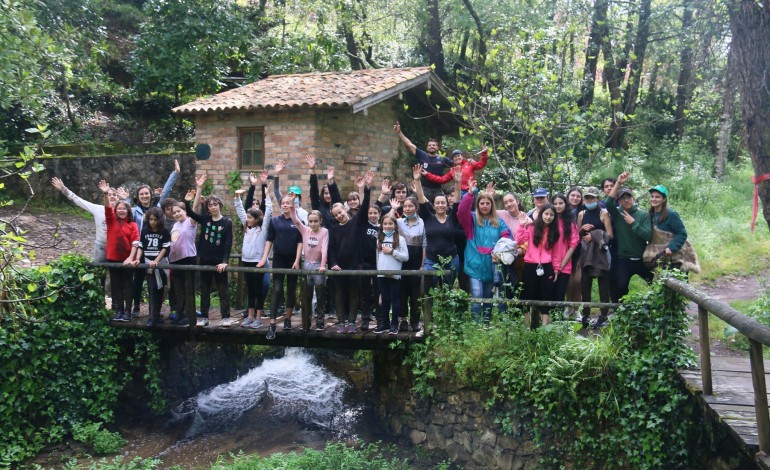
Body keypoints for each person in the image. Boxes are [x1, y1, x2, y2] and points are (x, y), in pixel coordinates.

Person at [126, 159, 180, 318]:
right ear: (138, 196)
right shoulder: (134, 211)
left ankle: (158, 310)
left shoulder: (156, 209)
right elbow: (123, 210)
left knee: (160, 281)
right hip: (141, 250)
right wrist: (126, 199)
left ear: (151, 195)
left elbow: (166, 191)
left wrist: (175, 173)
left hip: (157, 251)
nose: (144, 196)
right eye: (141, 194)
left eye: (146, 193)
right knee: (138, 279)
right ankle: (136, 307)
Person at [457, 176, 511, 322]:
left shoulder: (499, 222)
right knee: (476, 294)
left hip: (492, 265)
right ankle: (475, 326)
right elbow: (461, 212)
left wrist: (499, 254)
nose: (485, 206)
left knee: (488, 297)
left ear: (492, 205)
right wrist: (470, 194)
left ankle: (485, 325)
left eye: (488, 203)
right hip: (474, 263)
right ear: (478, 204)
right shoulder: (472, 219)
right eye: (482, 203)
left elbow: (507, 240)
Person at [328, 171, 374, 333]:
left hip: (355, 265)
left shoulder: (357, 223)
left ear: (345, 210)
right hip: (339, 267)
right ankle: (341, 322)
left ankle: (352, 322)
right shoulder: (333, 230)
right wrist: (332, 263)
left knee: (354, 294)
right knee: (339, 295)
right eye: (336, 215)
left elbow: (365, 206)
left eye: (340, 212)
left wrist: (365, 188)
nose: (339, 216)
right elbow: (331, 249)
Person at [186, 174, 234, 328]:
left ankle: (226, 316)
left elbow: (228, 243)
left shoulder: (227, 222)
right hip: (205, 260)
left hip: (219, 262)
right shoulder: (205, 220)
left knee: (223, 291)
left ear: (220, 205)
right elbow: (191, 213)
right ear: (207, 208)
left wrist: (224, 262)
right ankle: (204, 316)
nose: (213, 207)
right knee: (204, 290)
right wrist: (187, 201)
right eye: (210, 205)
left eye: (215, 204)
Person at [260, 194, 303, 340]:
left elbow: (300, 242)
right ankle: (272, 325)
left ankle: (288, 319)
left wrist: (297, 260)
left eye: (288, 203)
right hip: (279, 259)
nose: (285, 205)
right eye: (283, 203)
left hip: (293, 260)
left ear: (293, 205)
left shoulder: (298, 221)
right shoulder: (274, 221)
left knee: (291, 289)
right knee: (277, 289)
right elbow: (269, 240)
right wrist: (264, 258)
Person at [605, 172, 653, 300]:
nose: (626, 200)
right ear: (619, 201)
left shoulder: (643, 215)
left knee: (656, 283)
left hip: (642, 259)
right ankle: (621, 312)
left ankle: (662, 308)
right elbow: (609, 202)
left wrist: (633, 223)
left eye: (629, 197)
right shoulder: (617, 214)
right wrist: (619, 182)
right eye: (623, 198)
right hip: (624, 259)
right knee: (620, 287)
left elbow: (648, 236)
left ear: (633, 198)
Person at [413, 164, 460, 290]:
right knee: (426, 290)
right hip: (431, 259)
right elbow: (421, 199)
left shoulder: (452, 217)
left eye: (443, 203)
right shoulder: (428, 217)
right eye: (437, 203)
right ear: (433, 205)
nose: (440, 205)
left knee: (448, 290)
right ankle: (429, 310)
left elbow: (456, 201)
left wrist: (457, 183)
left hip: (451, 259)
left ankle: (445, 309)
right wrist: (417, 180)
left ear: (446, 204)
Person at [51, 177, 121, 261]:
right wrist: (63, 189)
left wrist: (125, 199)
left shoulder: (124, 211)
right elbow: (78, 200)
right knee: (97, 269)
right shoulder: (98, 209)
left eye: (114, 195)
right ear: (104, 198)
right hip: (101, 245)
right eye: (109, 195)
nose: (112, 197)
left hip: (117, 245)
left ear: (118, 198)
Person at [98, 180, 139, 323]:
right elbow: (107, 208)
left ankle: (128, 311)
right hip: (113, 258)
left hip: (127, 259)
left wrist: (131, 258)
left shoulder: (133, 225)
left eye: (124, 209)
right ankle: (119, 310)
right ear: (116, 211)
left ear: (128, 211)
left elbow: (135, 242)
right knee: (116, 286)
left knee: (128, 285)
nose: (121, 211)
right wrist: (105, 194)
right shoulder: (111, 221)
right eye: (119, 209)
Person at [234, 185, 273, 329]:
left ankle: (258, 317)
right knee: (250, 289)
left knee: (258, 290)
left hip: (258, 262)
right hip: (246, 261)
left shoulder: (262, 230)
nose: (247, 219)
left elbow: (268, 213)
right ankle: (250, 316)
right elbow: (239, 211)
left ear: (256, 219)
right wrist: (237, 196)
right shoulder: (246, 228)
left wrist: (267, 196)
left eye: (250, 217)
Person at [516, 203, 560, 326]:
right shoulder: (531, 227)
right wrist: (521, 224)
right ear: (541, 214)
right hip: (530, 265)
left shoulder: (554, 231)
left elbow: (555, 252)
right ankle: (527, 325)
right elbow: (519, 241)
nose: (549, 217)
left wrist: (556, 268)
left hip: (547, 266)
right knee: (527, 294)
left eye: (552, 215)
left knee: (546, 294)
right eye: (546, 214)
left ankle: (544, 327)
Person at [388, 194, 426, 332]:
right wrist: (393, 209)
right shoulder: (399, 222)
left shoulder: (422, 223)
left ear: (416, 207)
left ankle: (415, 321)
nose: (408, 209)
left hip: (416, 262)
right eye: (405, 206)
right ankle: (403, 319)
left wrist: (422, 265)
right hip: (401, 262)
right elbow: (385, 221)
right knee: (401, 293)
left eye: (411, 206)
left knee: (415, 294)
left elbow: (424, 246)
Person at [577, 186, 613, 328]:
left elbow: (610, 235)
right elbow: (577, 235)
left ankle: (603, 315)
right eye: (587, 197)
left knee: (603, 284)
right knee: (585, 284)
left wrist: (595, 234)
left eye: (592, 197)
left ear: (597, 198)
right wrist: (582, 230)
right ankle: (586, 314)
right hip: (586, 253)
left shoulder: (603, 213)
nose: (589, 200)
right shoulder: (581, 214)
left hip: (601, 253)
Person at [290, 207, 329, 332]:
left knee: (320, 293)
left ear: (320, 221)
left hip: (318, 265)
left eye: (315, 221)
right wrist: (292, 206)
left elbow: (324, 248)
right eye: (310, 221)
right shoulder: (305, 230)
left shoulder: (324, 232)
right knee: (306, 295)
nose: (313, 224)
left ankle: (320, 321)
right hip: (307, 264)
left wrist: (323, 264)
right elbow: (295, 220)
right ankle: (306, 321)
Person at [394, 121, 452, 202]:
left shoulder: (443, 159)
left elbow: (457, 165)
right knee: (410, 201)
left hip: (438, 190)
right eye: (429, 145)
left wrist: (470, 162)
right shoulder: (422, 155)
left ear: (437, 147)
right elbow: (409, 144)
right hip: (423, 189)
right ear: (427, 148)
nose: (431, 146)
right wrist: (399, 132)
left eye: (434, 145)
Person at [375, 213, 410, 335]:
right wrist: (378, 271)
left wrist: (393, 252)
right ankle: (385, 324)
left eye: (390, 223)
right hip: (381, 274)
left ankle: (394, 325)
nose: (388, 226)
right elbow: (377, 258)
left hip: (394, 274)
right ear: (381, 225)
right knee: (384, 300)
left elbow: (406, 257)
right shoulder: (379, 238)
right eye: (385, 224)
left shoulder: (400, 239)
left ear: (395, 225)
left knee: (395, 300)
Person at [136, 207, 171, 328]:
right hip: (148, 264)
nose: (152, 222)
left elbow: (165, 248)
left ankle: (156, 315)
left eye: (155, 220)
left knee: (160, 290)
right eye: (150, 219)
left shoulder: (165, 231)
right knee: (152, 290)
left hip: (160, 264)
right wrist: (137, 258)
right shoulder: (145, 230)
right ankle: (152, 317)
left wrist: (156, 261)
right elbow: (141, 246)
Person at [168, 199, 197, 325]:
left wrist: (198, 190)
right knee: (178, 288)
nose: (177, 214)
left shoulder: (190, 222)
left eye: (179, 211)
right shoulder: (175, 225)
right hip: (175, 260)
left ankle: (187, 314)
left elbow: (195, 209)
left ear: (185, 211)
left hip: (188, 258)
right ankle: (180, 313)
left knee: (188, 287)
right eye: (174, 213)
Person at [550, 194, 579, 315]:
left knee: (560, 295)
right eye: (555, 203)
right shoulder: (548, 220)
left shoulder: (571, 224)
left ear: (565, 204)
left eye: (560, 203)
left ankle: (558, 324)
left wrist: (561, 266)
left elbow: (573, 245)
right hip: (548, 263)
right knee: (548, 294)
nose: (557, 206)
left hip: (564, 265)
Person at [420, 145, 489, 196]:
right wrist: (427, 174)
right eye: (455, 157)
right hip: (461, 192)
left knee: (473, 210)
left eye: (459, 155)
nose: (457, 158)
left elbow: (481, 164)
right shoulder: (453, 170)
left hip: (472, 190)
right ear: (453, 159)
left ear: (462, 156)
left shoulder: (470, 163)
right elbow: (442, 179)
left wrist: (484, 153)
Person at [648, 184, 688, 266]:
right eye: (652, 196)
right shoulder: (650, 215)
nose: (654, 199)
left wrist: (671, 248)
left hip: (674, 257)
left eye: (657, 197)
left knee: (676, 278)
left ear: (664, 199)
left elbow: (682, 233)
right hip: (658, 256)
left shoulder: (671, 214)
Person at [359, 204, 381, 331]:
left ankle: (380, 319)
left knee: (379, 292)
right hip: (365, 263)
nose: (372, 215)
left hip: (379, 264)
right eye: (370, 213)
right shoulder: (364, 226)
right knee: (365, 293)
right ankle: (365, 319)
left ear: (379, 214)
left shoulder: (383, 227)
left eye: (375, 213)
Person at [307, 154, 342, 228]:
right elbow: (313, 191)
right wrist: (313, 170)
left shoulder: (337, 206)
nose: (328, 195)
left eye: (330, 193)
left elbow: (335, 194)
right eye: (326, 193)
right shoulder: (318, 206)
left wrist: (330, 180)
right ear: (322, 194)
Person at [272, 159, 308, 225]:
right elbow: (276, 190)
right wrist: (276, 174)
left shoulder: (303, 213)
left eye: (295, 196)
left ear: (299, 199)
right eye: (291, 195)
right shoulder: (285, 206)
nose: (293, 198)